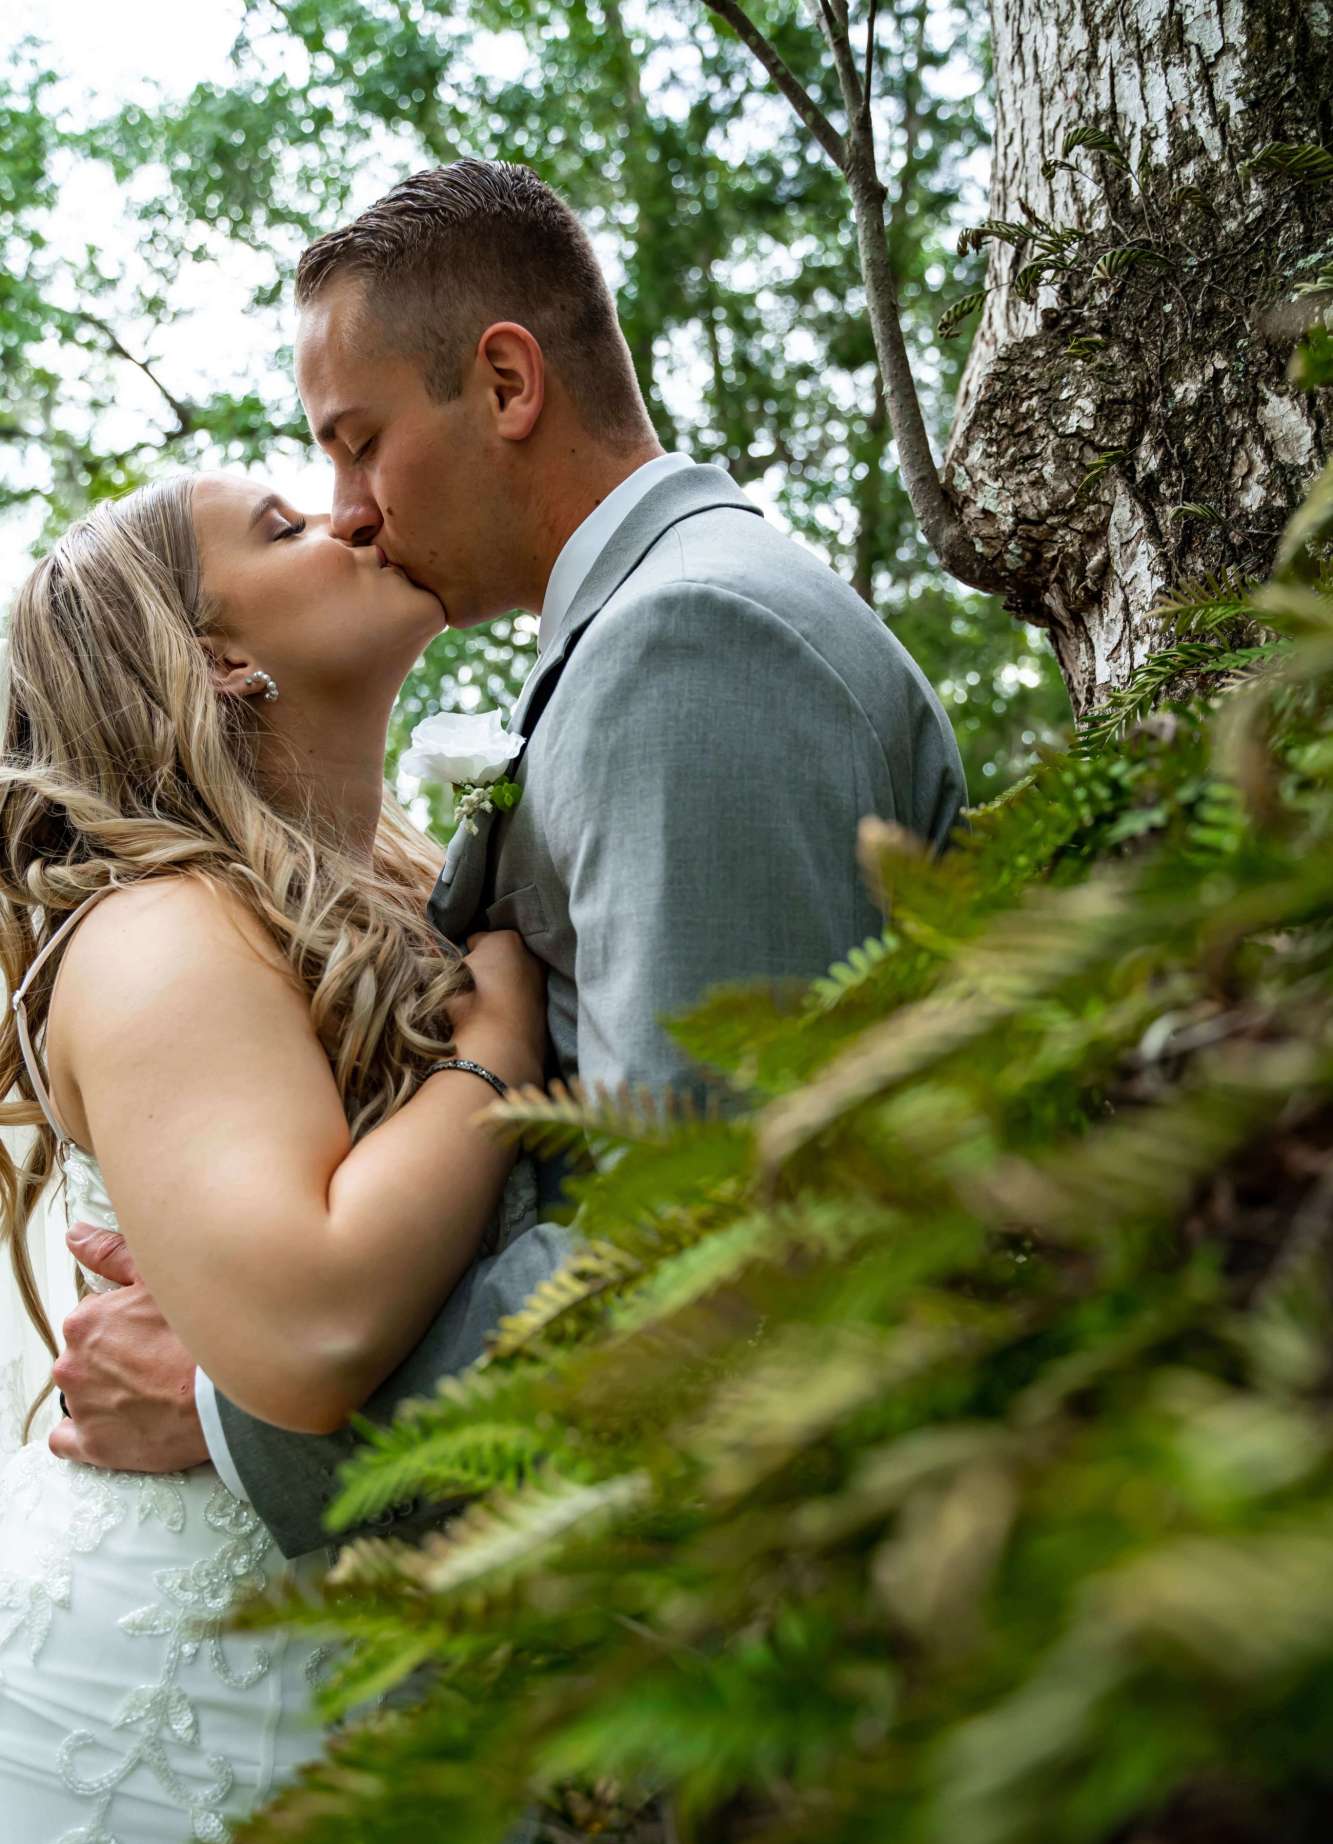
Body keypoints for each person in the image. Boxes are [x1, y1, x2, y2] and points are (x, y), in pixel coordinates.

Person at [54, 159, 968, 1552]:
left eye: (355, 443)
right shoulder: (646, 638)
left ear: (504, 384)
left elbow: (711, 1245)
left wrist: (238, 1411)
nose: (349, 507)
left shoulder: (690, 641)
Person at [0, 472, 546, 1844]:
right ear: (217, 658)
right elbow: (306, 1328)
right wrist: (493, 1057)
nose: (358, 515)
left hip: (354, 1679)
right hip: (157, 1705)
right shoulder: (163, 926)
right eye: (283, 528)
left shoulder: (405, 893)